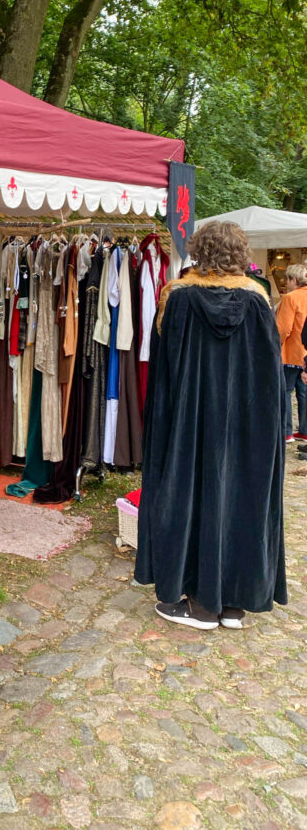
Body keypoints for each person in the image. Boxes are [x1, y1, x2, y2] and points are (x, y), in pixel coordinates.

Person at [135, 221, 287, 630]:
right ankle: (233, 604)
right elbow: (271, 376)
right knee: (241, 498)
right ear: (241, 253)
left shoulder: (177, 297)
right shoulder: (259, 301)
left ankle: (202, 605)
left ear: (200, 250)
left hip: (188, 422)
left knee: (190, 496)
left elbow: (162, 370)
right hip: (246, 425)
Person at [276, 263, 307, 443]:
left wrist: (275, 344)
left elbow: (283, 327)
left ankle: (287, 431)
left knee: (285, 391)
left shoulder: (290, 298)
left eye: (287, 279)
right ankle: (304, 430)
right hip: (304, 352)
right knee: (303, 393)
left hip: (290, 351)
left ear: (293, 280)